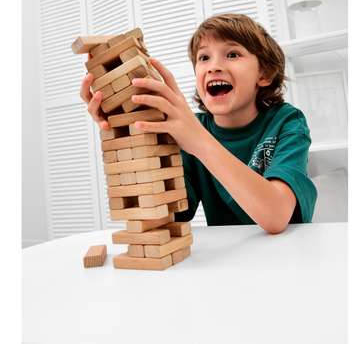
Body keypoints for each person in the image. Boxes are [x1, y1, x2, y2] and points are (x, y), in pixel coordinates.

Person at [80, 13, 317, 234]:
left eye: (232, 54)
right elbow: (163, 217)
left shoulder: (287, 122)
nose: (213, 66)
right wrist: (126, 129)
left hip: (290, 253)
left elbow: (276, 216)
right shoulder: (190, 131)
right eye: (204, 57)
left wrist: (198, 141)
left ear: (264, 74)